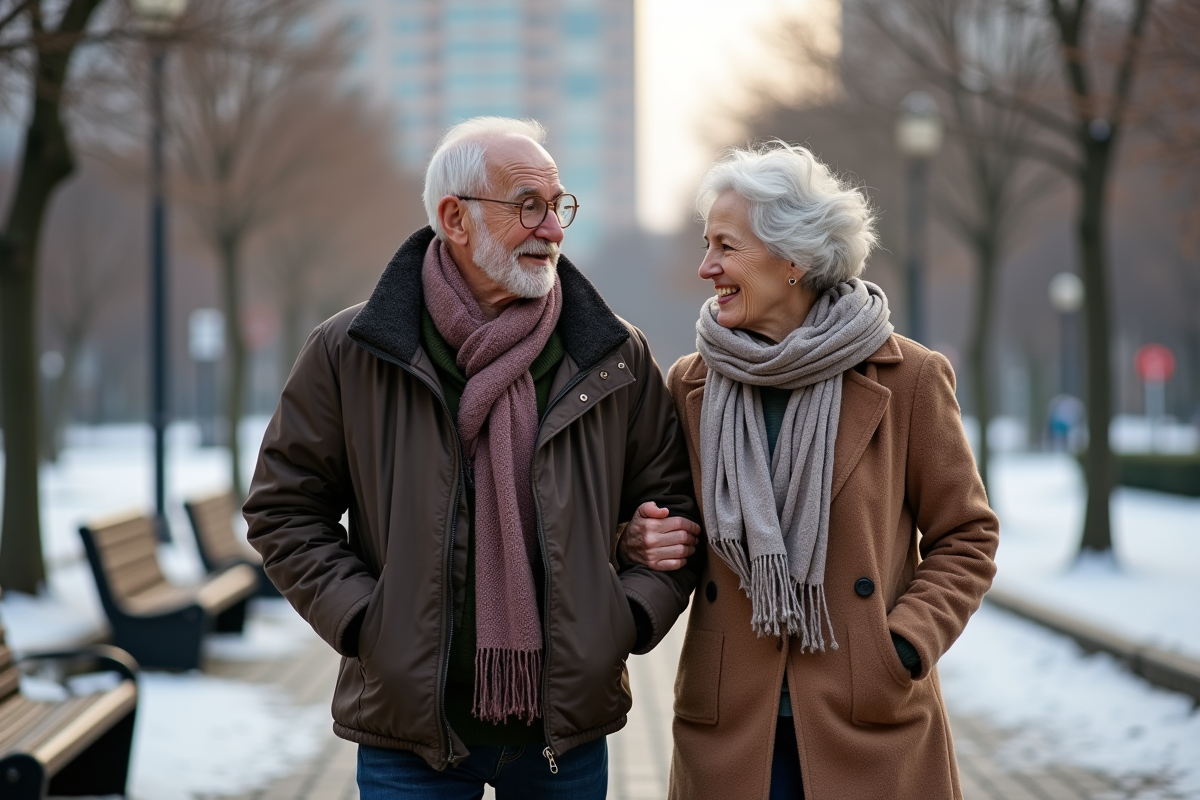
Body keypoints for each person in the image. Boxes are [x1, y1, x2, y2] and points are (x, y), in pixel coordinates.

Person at [243, 116, 701, 799]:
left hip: (564, 736)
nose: (552, 228)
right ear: (454, 219)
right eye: (527, 206)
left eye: (558, 205)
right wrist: (369, 623)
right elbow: (284, 510)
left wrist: (625, 618)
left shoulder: (612, 354)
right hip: (409, 733)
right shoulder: (353, 350)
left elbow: (677, 510)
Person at [624, 141, 999, 799]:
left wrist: (904, 645)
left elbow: (967, 538)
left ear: (793, 258)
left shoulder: (908, 378)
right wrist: (636, 538)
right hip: (732, 727)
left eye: (724, 245)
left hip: (869, 719)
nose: (706, 266)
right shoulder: (690, 383)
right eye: (706, 244)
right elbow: (659, 524)